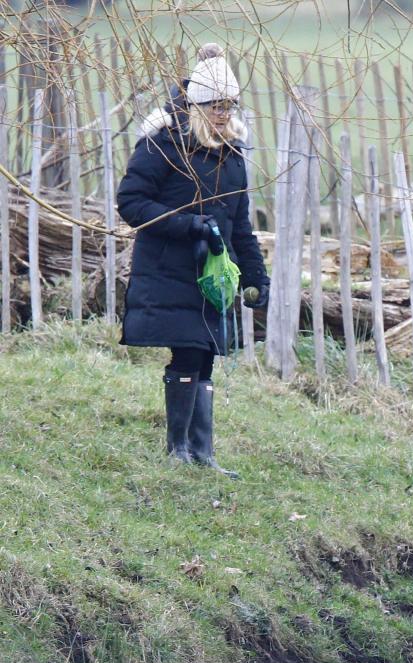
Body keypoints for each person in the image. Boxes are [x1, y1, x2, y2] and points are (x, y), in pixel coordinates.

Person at [117, 44, 270, 479]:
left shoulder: (233, 154)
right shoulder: (164, 145)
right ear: (196, 104)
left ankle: (202, 454)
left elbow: (241, 225)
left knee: (204, 356)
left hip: (211, 276)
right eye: (215, 106)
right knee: (188, 351)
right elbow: (131, 202)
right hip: (169, 267)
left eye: (229, 105)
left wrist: (257, 277)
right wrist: (191, 226)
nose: (223, 113)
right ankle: (178, 451)